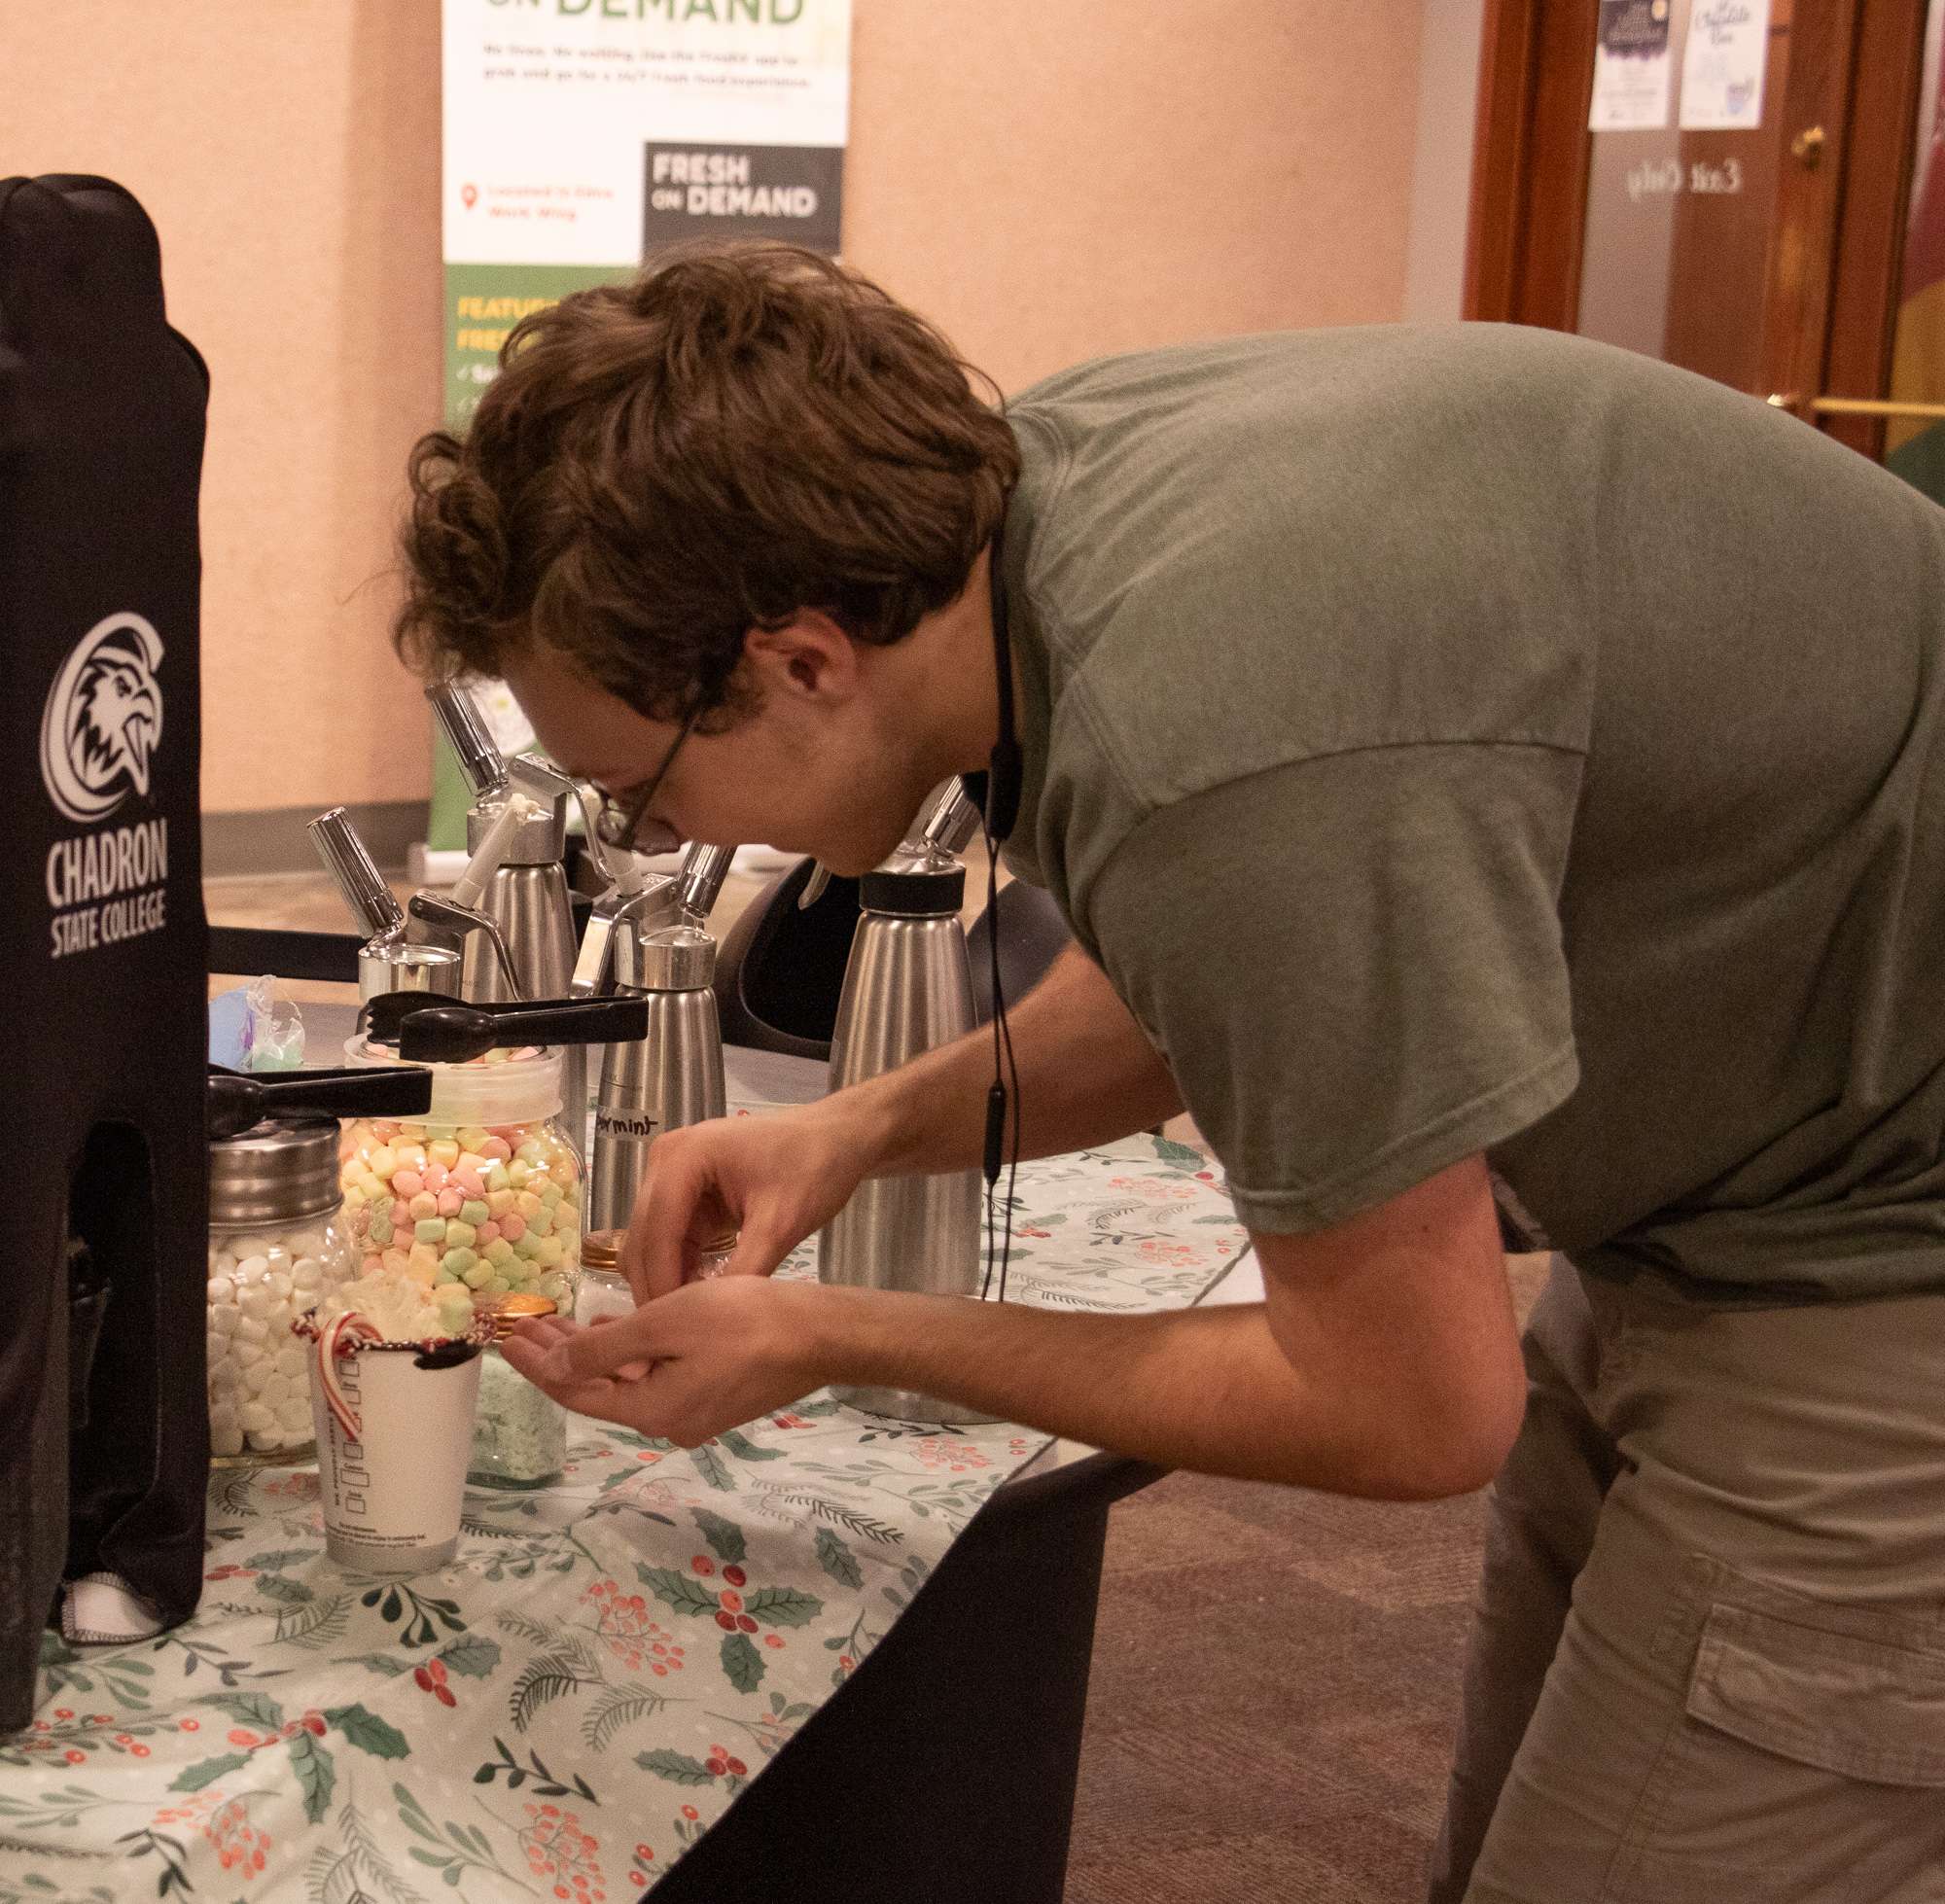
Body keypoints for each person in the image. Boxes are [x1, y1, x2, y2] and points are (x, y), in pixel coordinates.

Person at [393, 242, 1945, 1902]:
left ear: (800, 660)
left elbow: (1414, 1405)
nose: (654, 837)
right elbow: (1247, 972)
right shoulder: (1039, 521)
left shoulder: (1229, 733)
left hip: (1880, 1254)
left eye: (639, 788)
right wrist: (859, 1135)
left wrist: (830, 1331)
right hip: (1743, 1168)